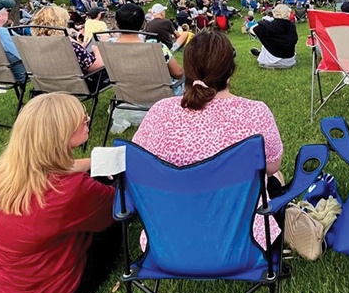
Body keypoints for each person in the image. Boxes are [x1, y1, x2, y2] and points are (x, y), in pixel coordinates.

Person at [133, 32, 314, 253]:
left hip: (167, 241)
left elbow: (137, 167)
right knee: (273, 176)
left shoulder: (160, 112)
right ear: (231, 70)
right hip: (243, 241)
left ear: (187, 69)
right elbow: (272, 166)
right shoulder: (255, 112)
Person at [0, 93, 116, 293]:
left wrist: (91, 163)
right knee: (114, 204)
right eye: (81, 119)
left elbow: (58, 168)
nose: (88, 119)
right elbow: (113, 210)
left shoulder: (3, 171)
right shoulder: (70, 189)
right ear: (61, 134)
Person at [29, 5, 106, 81]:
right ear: (61, 23)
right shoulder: (68, 47)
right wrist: (97, 50)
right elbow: (96, 66)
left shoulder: (33, 44)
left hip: (47, 83)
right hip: (74, 85)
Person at [249, 3, 298, 69]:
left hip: (272, 63)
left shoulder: (268, 25)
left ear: (274, 13)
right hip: (290, 61)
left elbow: (252, 30)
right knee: (271, 40)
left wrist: (266, 21)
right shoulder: (292, 26)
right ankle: (261, 54)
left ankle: (261, 55)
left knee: (266, 40)